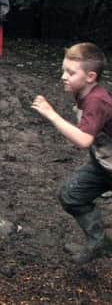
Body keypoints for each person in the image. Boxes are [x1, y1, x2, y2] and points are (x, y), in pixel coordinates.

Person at [31, 43, 112, 263]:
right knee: (71, 196)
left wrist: (51, 114)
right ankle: (99, 242)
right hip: (103, 164)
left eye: (70, 73)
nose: (63, 77)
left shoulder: (96, 100)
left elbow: (84, 140)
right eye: (63, 70)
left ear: (90, 76)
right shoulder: (82, 92)